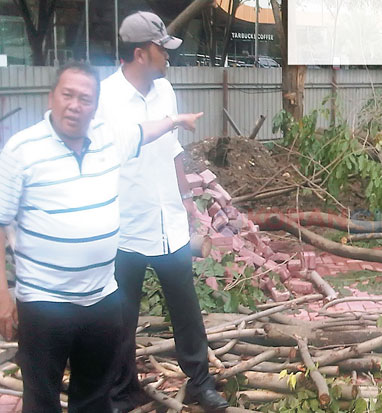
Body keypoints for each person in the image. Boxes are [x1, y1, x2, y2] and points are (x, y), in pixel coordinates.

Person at [0, 62, 202, 412]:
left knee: (94, 398)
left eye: (85, 99)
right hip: (44, 303)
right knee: (42, 399)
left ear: (95, 107)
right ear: (52, 97)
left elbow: (145, 130)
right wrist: (3, 296)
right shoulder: (22, 150)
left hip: (102, 301)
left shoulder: (109, 139)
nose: (75, 105)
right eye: (68, 95)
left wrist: (176, 120)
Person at [96, 12, 228, 412]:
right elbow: (123, 144)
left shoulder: (164, 90)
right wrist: (171, 121)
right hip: (126, 226)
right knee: (123, 317)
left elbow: (172, 150)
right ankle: (122, 392)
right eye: (161, 50)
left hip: (168, 223)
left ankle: (201, 383)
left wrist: (188, 203)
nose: (167, 57)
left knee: (186, 309)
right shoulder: (106, 98)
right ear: (140, 54)